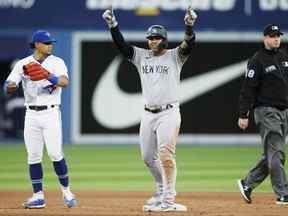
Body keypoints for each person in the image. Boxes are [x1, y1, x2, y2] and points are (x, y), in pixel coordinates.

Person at [102, 7, 197, 212]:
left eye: (155, 38)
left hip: (169, 113)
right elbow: (122, 46)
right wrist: (113, 25)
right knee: (147, 157)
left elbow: (188, 45)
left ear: (164, 39)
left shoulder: (175, 56)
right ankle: (161, 190)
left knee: (165, 155)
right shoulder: (141, 56)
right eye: (150, 38)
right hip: (147, 113)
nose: (152, 41)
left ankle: (169, 201)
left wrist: (189, 26)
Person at [4, 30, 77, 208]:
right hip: (31, 114)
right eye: (46, 43)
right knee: (33, 156)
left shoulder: (57, 62)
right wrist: (11, 86)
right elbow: (8, 86)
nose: (50, 45)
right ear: (37, 44)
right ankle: (38, 196)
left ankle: (67, 192)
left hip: (51, 113)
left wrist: (47, 75)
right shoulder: (23, 64)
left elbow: (64, 82)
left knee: (55, 153)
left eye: (51, 42)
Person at [237, 24, 288, 205]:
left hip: (284, 111)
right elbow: (247, 89)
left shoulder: (283, 56)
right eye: (273, 36)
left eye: (278, 35)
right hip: (266, 111)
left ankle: (247, 183)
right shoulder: (257, 60)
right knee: (277, 152)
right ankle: (283, 193)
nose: (276, 39)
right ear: (265, 38)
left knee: (273, 154)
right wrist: (243, 114)